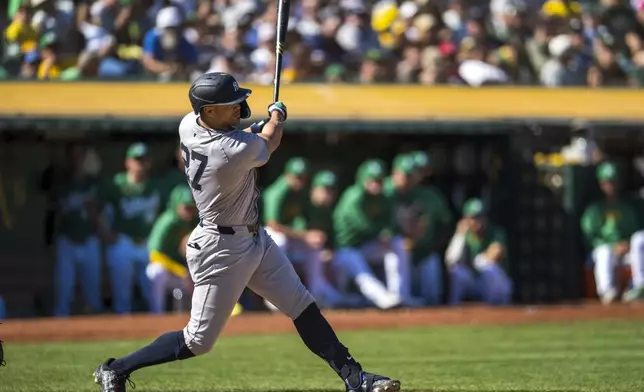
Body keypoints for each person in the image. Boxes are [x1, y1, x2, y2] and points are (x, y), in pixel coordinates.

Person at [93, 72, 401, 392]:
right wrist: (277, 117)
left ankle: (356, 379)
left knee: (302, 305)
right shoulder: (228, 150)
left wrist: (254, 127)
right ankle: (116, 369)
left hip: (254, 237)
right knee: (198, 341)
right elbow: (268, 142)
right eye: (232, 103)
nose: (241, 105)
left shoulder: (190, 124)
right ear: (209, 111)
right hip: (220, 248)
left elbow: (241, 135)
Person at [332, 159, 417, 309]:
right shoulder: (353, 197)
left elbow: (391, 223)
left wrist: (387, 233)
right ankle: (383, 299)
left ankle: (400, 295)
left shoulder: (384, 197)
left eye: (378, 180)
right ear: (363, 179)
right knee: (360, 269)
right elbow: (361, 225)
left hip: (367, 246)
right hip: (345, 249)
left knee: (397, 243)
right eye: (371, 180)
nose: (375, 184)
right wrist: (382, 233)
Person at [98, 142, 162, 314]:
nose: (140, 164)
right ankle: (122, 329)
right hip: (123, 241)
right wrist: (106, 234)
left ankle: (156, 326)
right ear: (128, 162)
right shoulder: (116, 184)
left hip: (147, 244)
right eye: (136, 159)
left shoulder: (156, 186)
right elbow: (95, 208)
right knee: (122, 295)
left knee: (151, 292)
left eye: (143, 160)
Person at [384, 153, 450, 305]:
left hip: (422, 254)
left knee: (432, 297)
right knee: (398, 246)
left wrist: (430, 244)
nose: (420, 175)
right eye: (418, 171)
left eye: (421, 171)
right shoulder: (385, 192)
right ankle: (397, 297)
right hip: (391, 253)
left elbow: (444, 226)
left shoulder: (428, 195)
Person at [581, 162, 644, 304]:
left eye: (613, 181)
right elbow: (589, 239)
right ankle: (608, 293)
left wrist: (625, 245)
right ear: (601, 183)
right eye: (607, 182)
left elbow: (633, 234)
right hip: (600, 253)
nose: (611, 186)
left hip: (624, 252)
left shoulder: (626, 209)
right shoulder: (594, 210)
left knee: (639, 239)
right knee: (605, 253)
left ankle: (639, 287)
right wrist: (611, 246)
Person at [52, 144, 103, 317]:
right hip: (67, 240)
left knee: (93, 292)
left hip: (89, 240)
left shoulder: (93, 183)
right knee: (64, 290)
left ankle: (98, 328)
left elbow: (100, 213)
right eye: (73, 157)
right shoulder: (61, 183)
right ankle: (59, 328)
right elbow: (54, 214)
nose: (77, 161)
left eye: (80, 157)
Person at [445, 198, 512, 306]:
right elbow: (450, 260)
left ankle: (493, 310)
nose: (478, 221)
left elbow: (496, 252)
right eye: (473, 218)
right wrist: (459, 235)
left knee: (489, 268)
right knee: (457, 272)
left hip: (499, 286)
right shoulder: (463, 235)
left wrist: (478, 261)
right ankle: (453, 308)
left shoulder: (495, 231)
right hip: (476, 281)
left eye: (480, 217)